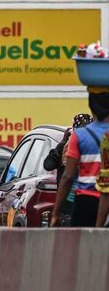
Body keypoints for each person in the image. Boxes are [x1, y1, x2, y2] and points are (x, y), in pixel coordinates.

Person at [54, 92, 109, 227]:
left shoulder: (80, 135)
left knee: (80, 244)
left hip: (86, 200)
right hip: (105, 198)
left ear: (91, 107)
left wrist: (56, 212)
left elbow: (68, 176)